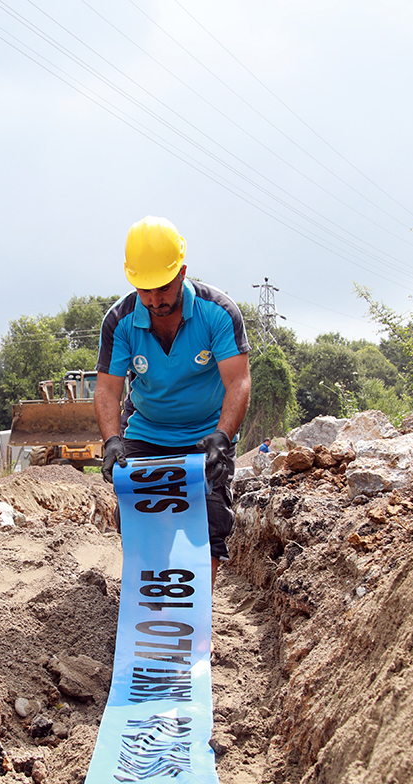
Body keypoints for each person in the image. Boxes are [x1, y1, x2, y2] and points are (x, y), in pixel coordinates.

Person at [96, 216, 251, 576]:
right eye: (144, 290)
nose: (154, 300)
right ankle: (150, 611)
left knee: (209, 520)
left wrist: (223, 437)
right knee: (140, 516)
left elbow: (239, 382)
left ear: (182, 272)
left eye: (163, 288)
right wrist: (112, 441)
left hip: (206, 433)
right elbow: (107, 388)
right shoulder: (119, 320)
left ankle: (196, 621)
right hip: (147, 431)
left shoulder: (219, 313)